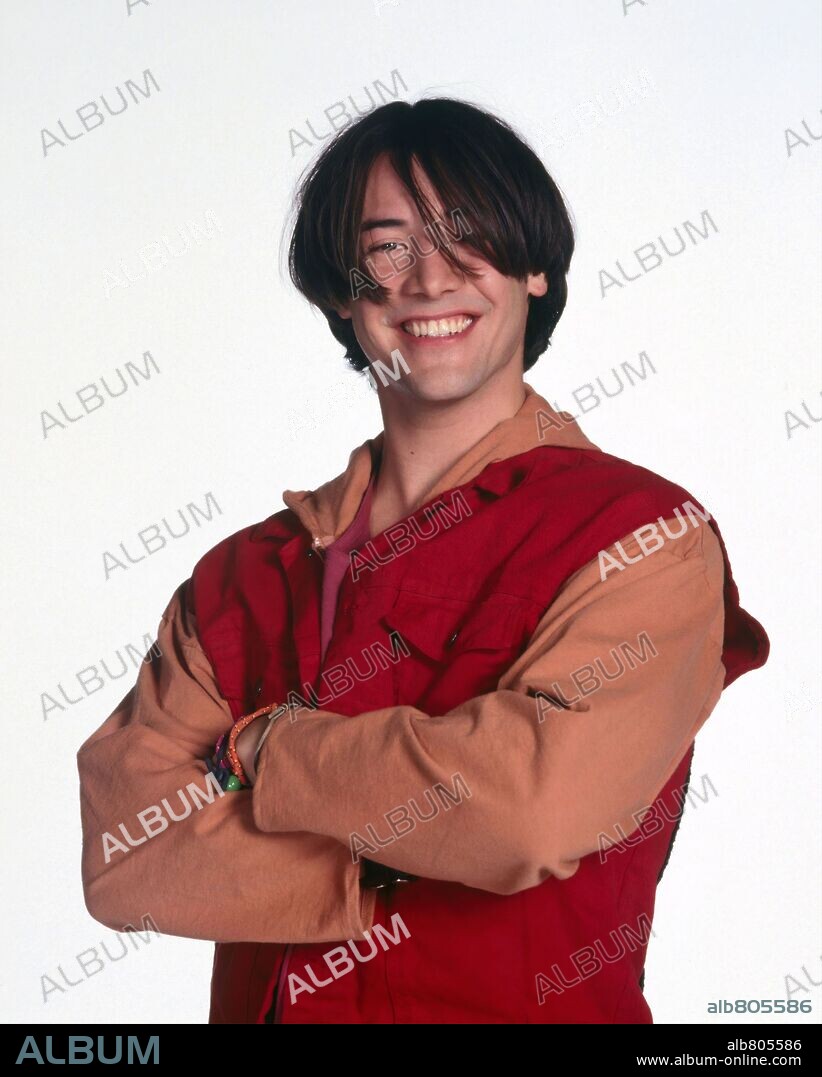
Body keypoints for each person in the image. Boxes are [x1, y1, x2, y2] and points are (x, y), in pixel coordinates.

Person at [77, 98, 769, 1024]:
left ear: (534, 269)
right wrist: (424, 836)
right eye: (390, 245)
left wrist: (265, 751)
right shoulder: (241, 575)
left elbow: (532, 808)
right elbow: (127, 857)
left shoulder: (640, 539)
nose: (430, 278)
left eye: (468, 236)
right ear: (341, 288)